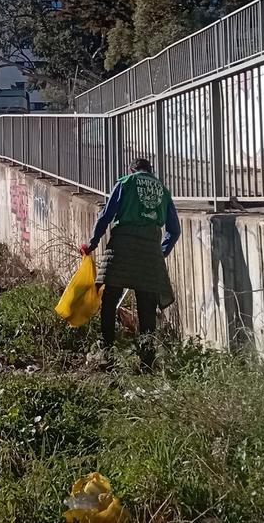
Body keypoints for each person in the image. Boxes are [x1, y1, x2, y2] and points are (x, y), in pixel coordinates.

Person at [82, 157, 181, 368]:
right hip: (149, 253)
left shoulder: (126, 182)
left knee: (109, 301)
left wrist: (92, 243)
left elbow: (106, 215)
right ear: (150, 171)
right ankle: (147, 360)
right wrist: (160, 252)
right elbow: (175, 230)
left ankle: (107, 351)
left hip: (122, 248)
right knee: (147, 307)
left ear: (132, 169)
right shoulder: (163, 190)